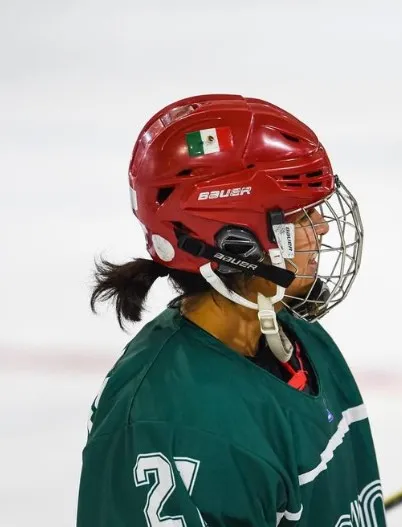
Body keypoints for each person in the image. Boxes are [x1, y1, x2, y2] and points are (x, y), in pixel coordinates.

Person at [77, 94, 386, 526]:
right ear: (236, 244)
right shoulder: (171, 424)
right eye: (303, 215)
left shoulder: (299, 337)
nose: (324, 226)